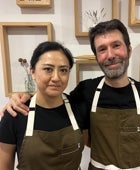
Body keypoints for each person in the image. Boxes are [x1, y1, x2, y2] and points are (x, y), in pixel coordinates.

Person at [1, 19, 140, 170]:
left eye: (116, 45)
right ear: (97, 57)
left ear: (129, 50)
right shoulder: (85, 92)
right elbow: (51, 98)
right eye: (102, 49)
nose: (110, 55)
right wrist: (22, 96)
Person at [0, 41, 89, 170]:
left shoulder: (78, 108)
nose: (56, 77)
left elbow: (91, 142)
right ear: (33, 72)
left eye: (63, 70)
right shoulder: (15, 113)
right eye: (48, 69)